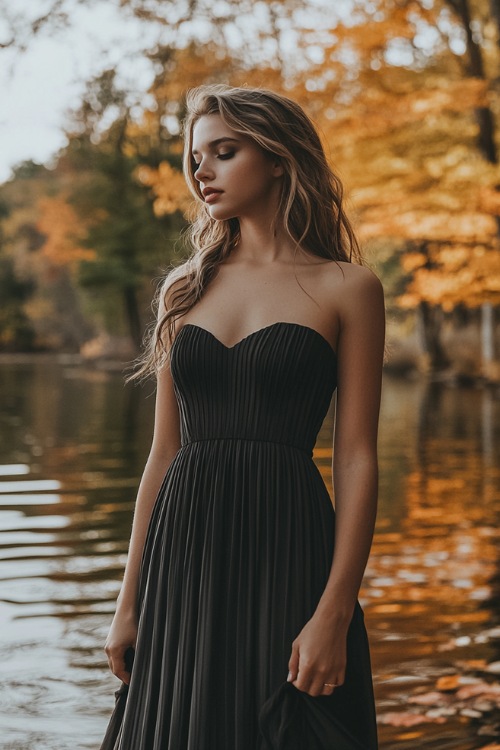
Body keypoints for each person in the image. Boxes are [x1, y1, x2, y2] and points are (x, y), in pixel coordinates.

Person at [99, 83, 385, 750]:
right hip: (183, 556)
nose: (201, 171)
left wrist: (335, 611)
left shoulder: (349, 287)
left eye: (223, 153)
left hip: (290, 547)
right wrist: (128, 601)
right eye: (195, 158)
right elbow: (164, 453)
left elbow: (357, 457)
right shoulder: (184, 286)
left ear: (281, 159)